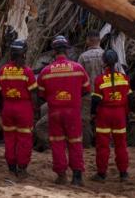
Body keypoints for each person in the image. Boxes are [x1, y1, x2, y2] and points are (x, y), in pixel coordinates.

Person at [37, 35, 90, 186]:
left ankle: (61, 176)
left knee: (57, 143)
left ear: (54, 51)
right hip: (73, 112)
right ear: (67, 50)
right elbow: (86, 90)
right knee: (75, 142)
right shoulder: (78, 68)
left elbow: (41, 95)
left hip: (54, 112)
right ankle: (77, 178)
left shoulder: (45, 71)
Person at [0, 39, 38, 178]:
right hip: (24, 108)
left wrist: (1, 108)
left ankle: (11, 167)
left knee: (9, 138)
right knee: (24, 139)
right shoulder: (27, 72)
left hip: (7, 108)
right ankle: (22, 168)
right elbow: (33, 94)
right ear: (24, 53)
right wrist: (35, 110)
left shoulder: (2, 70)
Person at [91, 49, 130, 182]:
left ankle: (101, 174)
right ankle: (123, 173)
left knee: (103, 145)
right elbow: (129, 98)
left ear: (104, 62)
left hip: (104, 114)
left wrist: (92, 114)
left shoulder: (99, 80)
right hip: (120, 113)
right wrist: (127, 115)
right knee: (121, 144)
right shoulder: (124, 78)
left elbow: (95, 100)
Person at [78, 30, 105, 144]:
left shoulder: (83, 57)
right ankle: (101, 142)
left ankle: (87, 144)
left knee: (85, 120)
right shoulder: (106, 54)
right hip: (104, 92)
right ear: (99, 40)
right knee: (102, 118)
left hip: (88, 93)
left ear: (88, 41)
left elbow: (79, 77)